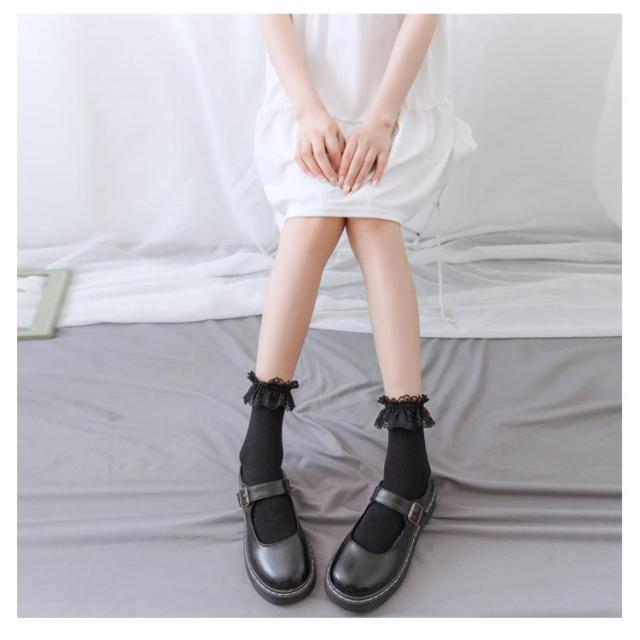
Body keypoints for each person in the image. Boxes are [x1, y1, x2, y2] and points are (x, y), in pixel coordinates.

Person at [237, 14, 475, 612]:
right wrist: (308, 112)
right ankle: (259, 451)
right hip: (306, 97)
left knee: (374, 224)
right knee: (309, 224)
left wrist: (383, 118)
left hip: (393, 97)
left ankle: (408, 464)